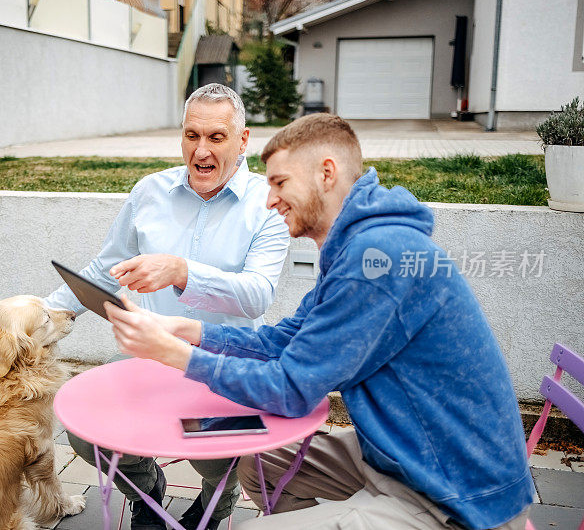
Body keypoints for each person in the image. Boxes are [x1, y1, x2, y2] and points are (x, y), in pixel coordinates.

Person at [103, 114, 534, 530]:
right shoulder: (356, 247)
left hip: (459, 497)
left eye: (280, 183)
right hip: (402, 454)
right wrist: (192, 332)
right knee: (260, 463)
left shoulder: (378, 259)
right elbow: (288, 338)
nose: (270, 200)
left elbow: (291, 390)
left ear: (326, 174)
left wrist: (175, 355)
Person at [43, 83, 290, 530]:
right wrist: (46, 312)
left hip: (226, 363)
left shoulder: (268, 203)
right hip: (150, 358)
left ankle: (219, 501)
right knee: (86, 433)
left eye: (216, 137)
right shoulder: (149, 191)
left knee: (215, 461)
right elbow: (107, 266)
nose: (201, 151)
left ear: (243, 140)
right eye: (191, 135)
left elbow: (258, 293)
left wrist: (181, 271)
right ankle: (146, 490)